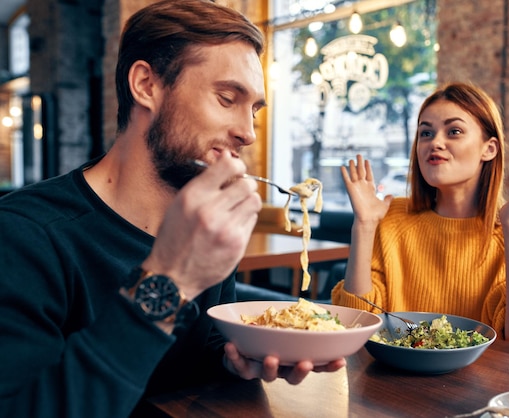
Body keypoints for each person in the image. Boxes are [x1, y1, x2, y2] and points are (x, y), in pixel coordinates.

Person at [0, 1, 344, 417]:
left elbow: (200, 351)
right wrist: (169, 278)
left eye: (253, 108)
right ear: (146, 84)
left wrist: (236, 358)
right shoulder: (24, 236)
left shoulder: (206, 224)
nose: (248, 133)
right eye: (226, 97)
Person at [331, 82, 509, 350]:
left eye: (454, 131)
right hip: (392, 382)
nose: (436, 143)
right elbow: (356, 325)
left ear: (489, 149)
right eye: (426, 133)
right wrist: (364, 226)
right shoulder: (391, 217)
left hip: (481, 388)